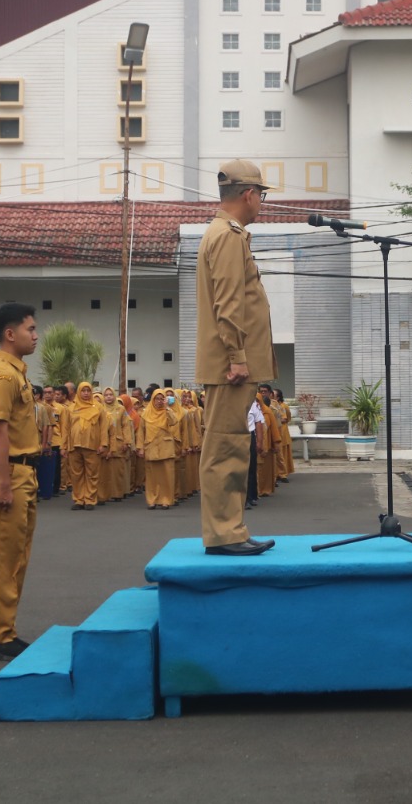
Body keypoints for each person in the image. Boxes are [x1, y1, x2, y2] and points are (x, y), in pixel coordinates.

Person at [195, 160, 278, 556]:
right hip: (231, 365)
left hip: (231, 361)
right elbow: (228, 305)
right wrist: (238, 357)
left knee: (229, 444)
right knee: (225, 446)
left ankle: (231, 530)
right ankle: (225, 534)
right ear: (248, 194)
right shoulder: (228, 236)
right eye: (261, 194)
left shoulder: (226, 234)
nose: (262, 201)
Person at [0, 302, 42, 662]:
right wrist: (3, 483)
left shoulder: (16, 372)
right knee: (4, 561)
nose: (36, 335)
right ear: (10, 334)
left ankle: (5, 631)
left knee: (17, 558)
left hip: (21, 473)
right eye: (30, 329)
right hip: (9, 475)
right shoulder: (2, 375)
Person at [67, 383, 107, 510]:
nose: (85, 393)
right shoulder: (71, 408)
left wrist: (103, 444)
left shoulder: (98, 407)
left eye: (88, 390)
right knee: (76, 474)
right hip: (74, 445)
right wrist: (64, 446)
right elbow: (66, 428)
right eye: (83, 391)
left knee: (92, 473)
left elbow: (103, 428)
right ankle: (79, 499)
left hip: (92, 445)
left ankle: (90, 499)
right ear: (78, 392)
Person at [141, 389, 179, 508]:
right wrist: (140, 448)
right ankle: (152, 500)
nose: (158, 402)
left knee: (167, 476)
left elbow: (174, 421)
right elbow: (141, 433)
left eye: (161, 399)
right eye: (156, 399)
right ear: (152, 400)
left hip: (165, 448)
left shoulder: (167, 412)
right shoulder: (145, 414)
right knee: (152, 477)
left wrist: (167, 408)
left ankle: (166, 500)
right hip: (151, 447)